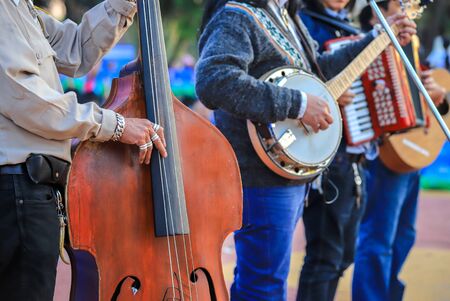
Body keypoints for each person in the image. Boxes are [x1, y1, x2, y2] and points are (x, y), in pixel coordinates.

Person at [195, 0, 415, 299]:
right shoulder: (238, 14)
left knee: (265, 281)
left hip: (284, 173)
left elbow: (319, 69)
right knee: (263, 286)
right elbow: (214, 79)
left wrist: (378, 38)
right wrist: (297, 105)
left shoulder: (283, 15)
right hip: (259, 178)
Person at [0, 1, 167, 300]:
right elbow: (28, 100)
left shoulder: (21, 8)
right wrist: (116, 125)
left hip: (27, 191)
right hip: (15, 191)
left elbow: (76, 49)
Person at [352, 1, 446, 301]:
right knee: (378, 239)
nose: (410, 8)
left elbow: (427, 97)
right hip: (384, 152)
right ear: (382, 7)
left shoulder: (412, 42)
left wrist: (438, 96)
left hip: (412, 150)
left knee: (404, 235)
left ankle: (389, 293)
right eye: (402, 3)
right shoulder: (361, 39)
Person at [295, 1, 373, 300]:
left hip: (355, 153)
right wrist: (325, 94)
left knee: (343, 256)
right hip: (325, 151)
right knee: (325, 257)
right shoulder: (302, 22)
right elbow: (296, 78)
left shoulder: (351, 28)